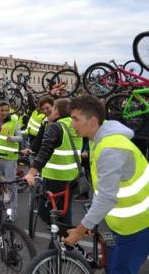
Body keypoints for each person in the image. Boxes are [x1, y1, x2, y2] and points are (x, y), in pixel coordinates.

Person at [65, 95, 149, 274]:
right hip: (125, 224)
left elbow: (106, 197)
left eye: (75, 119)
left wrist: (80, 230)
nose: (72, 124)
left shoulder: (110, 147)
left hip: (138, 224)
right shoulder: (99, 139)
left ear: (93, 121)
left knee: (120, 270)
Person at [24, 98, 83, 226]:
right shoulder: (75, 125)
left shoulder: (56, 127)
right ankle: (61, 242)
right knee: (65, 211)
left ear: (57, 111)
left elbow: (45, 151)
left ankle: (61, 238)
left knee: (45, 212)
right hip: (72, 177)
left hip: (55, 177)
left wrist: (31, 173)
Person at [0, 101, 23, 221]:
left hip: (9, 158)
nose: (4, 113)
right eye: (2, 110)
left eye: (6, 110)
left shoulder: (14, 121)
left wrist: (12, 138)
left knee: (12, 186)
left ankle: (13, 214)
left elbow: (20, 137)